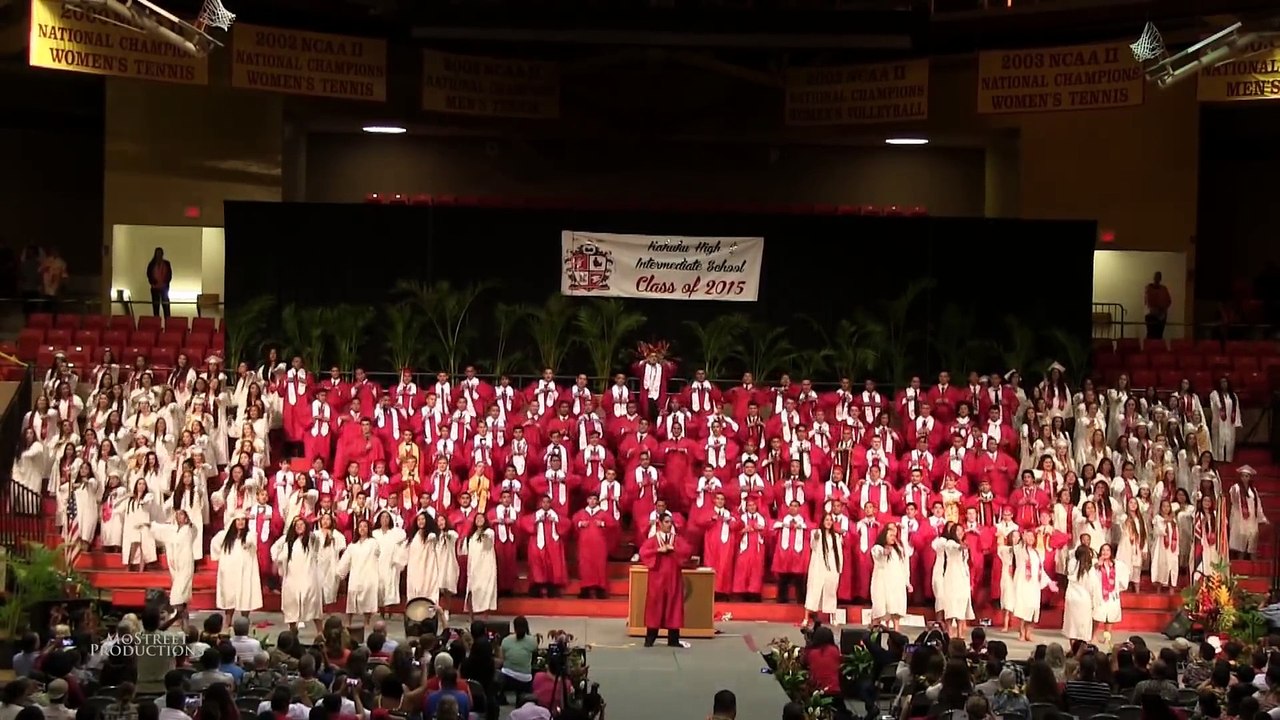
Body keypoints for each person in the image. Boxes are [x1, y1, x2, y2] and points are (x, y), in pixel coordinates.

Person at [638, 512, 692, 648]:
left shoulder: (676, 539)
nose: (669, 525)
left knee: (673, 607)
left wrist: (674, 549)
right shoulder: (653, 540)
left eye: (670, 522)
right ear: (660, 524)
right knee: (655, 607)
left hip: (673, 579)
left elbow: (687, 551)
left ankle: (673, 639)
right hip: (657, 579)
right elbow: (643, 552)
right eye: (666, 522)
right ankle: (650, 638)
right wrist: (658, 550)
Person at [271, 517, 324, 634]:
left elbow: (316, 538)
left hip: (308, 577)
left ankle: (320, 633)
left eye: (302, 524)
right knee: (291, 604)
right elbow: (274, 548)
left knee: (312, 604)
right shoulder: (288, 541)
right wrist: (276, 561)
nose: (299, 527)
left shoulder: (310, 540)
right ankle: (292, 632)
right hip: (291, 577)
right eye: (296, 525)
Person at [209, 511, 263, 625]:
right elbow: (214, 544)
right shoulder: (224, 536)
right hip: (229, 570)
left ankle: (244, 621)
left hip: (245, 570)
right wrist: (219, 558)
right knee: (229, 595)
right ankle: (228, 620)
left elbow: (251, 542)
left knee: (245, 593)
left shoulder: (250, 534)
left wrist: (247, 543)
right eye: (238, 520)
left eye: (243, 520)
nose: (240, 522)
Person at [499, 616, 538, 701]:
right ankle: (520, 700)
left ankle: (501, 697)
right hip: (524, 678)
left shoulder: (506, 640)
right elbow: (534, 658)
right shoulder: (532, 641)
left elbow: (502, 659)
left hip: (507, 676)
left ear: (514, 627)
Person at [1144, 271, 1172, 341]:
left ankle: (1158, 348)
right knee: (1151, 334)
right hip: (1151, 315)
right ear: (1153, 278)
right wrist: (1155, 309)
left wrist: (1162, 310)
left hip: (1161, 316)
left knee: (1159, 335)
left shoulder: (1164, 289)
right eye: (1156, 276)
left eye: (1159, 277)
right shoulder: (1149, 288)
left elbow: (1168, 301)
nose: (1157, 278)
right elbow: (1148, 301)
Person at [147, 247, 173, 318]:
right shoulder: (152, 264)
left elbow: (170, 274)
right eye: (157, 254)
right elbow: (149, 275)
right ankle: (156, 323)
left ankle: (168, 324)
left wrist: (166, 282)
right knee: (156, 308)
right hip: (155, 288)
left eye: (160, 254)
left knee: (166, 308)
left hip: (164, 288)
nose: (159, 255)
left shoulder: (166, 263)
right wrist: (153, 282)